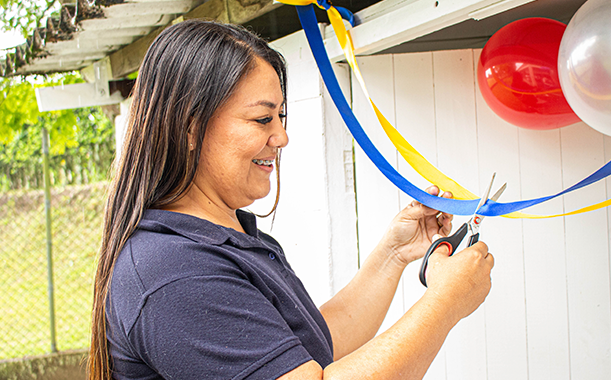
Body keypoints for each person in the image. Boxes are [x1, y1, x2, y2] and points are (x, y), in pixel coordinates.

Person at [88, 20, 494, 380]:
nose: (281, 137)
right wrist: (446, 302)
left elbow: (310, 351)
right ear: (190, 127)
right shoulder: (172, 273)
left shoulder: (227, 235)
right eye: (263, 118)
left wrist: (394, 253)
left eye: (281, 117)